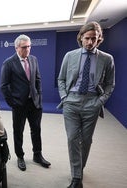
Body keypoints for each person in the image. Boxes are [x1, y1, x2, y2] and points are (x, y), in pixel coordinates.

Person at [57, 21, 115, 188]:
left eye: (94, 39)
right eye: (87, 38)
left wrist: (100, 101)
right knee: (72, 138)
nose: (90, 42)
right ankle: (77, 178)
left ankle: (78, 170)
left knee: (86, 140)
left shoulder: (106, 59)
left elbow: (110, 84)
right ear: (81, 37)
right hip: (71, 102)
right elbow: (61, 79)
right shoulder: (70, 56)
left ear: (99, 39)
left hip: (92, 102)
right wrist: (64, 97)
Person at [0, 34, 51, 171]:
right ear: (17, 48)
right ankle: (20, 156)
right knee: (19, 132)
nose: (27, 49)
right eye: (24, 47)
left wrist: (39, 97)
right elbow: (4, 86)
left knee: (36, 130)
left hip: (34, 103)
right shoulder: (9, 63)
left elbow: (38, 79)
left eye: (29, 46)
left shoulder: (34, 59)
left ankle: (37, 155)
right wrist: (12, 103)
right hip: (19, 104)